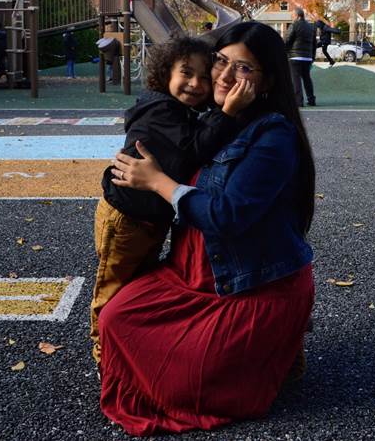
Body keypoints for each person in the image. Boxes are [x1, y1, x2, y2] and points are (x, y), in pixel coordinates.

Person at [102, 21, 316, 436]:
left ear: (267, 81)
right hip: (191, 273)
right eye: (220, 61)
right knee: (115, 320)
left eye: (243, 69)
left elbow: (226, 215)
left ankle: (274, 351)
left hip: (248, 287)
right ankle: (273, 355)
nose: (222, 75)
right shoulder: (213, 119)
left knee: (183, 384)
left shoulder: (273, 136)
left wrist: (158, 183)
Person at [89, 35, 254, 364]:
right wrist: (227, 113)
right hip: (127, 218)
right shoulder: (162, 111)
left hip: (144, 218)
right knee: (113, 287)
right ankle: (103, 356)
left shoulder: (174, 108)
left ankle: (124, 347)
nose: (195, 84)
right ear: (165, 74)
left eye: (204, 77)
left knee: (135, 283)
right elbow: (192, 152)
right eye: (186, 73)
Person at [285, 6, 316, 107]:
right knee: (307, 78)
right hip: (308, 57)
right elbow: (314, 44)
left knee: (296, 79)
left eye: (292, 16)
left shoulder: (294, 25)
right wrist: (312, 57)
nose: (291, 18)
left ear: (297, 16)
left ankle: (299, 101)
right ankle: (311, 100)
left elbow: (287, 41)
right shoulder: (311, 27)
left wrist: (283, 51)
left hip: (295, 57)